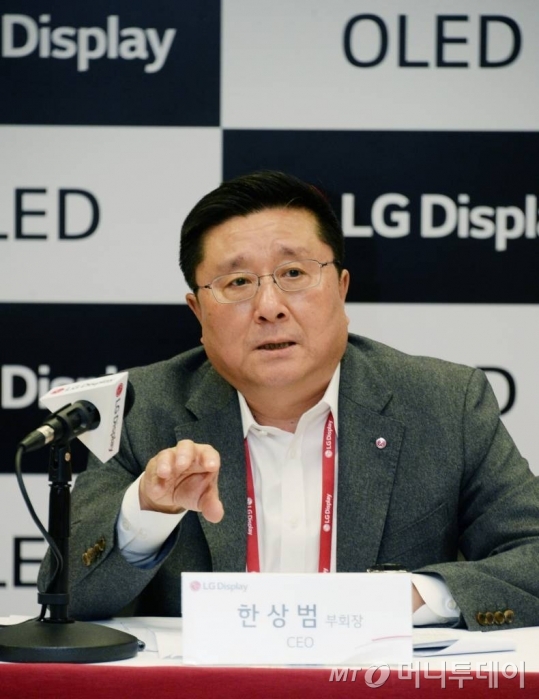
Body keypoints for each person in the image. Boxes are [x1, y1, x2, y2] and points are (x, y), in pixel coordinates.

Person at [39, 170, 539, 629]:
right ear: (198, 312)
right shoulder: (142, 408)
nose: (269, 307)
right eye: (238, 282)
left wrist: (408, 598)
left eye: (294, 274)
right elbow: (64, 595)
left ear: (341, 288)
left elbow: (531, 554)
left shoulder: (445, 404)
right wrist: (146, 511)